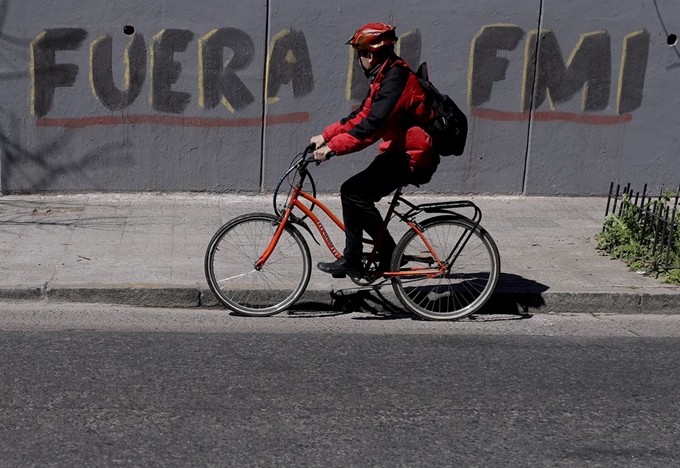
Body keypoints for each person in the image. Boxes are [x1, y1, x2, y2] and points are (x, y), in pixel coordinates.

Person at [310, 22, 438, 276]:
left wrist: (332, 148)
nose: (359, 60)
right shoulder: (387, 75)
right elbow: (362, 115)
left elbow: (371, 127)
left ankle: (365, 257)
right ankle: (380, 254)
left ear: (369, 54)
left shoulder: (397, 81)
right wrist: (325, 136)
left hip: (411, 157)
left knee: (354, 192)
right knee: (353, 192)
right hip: (398, 151)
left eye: (360, 53)